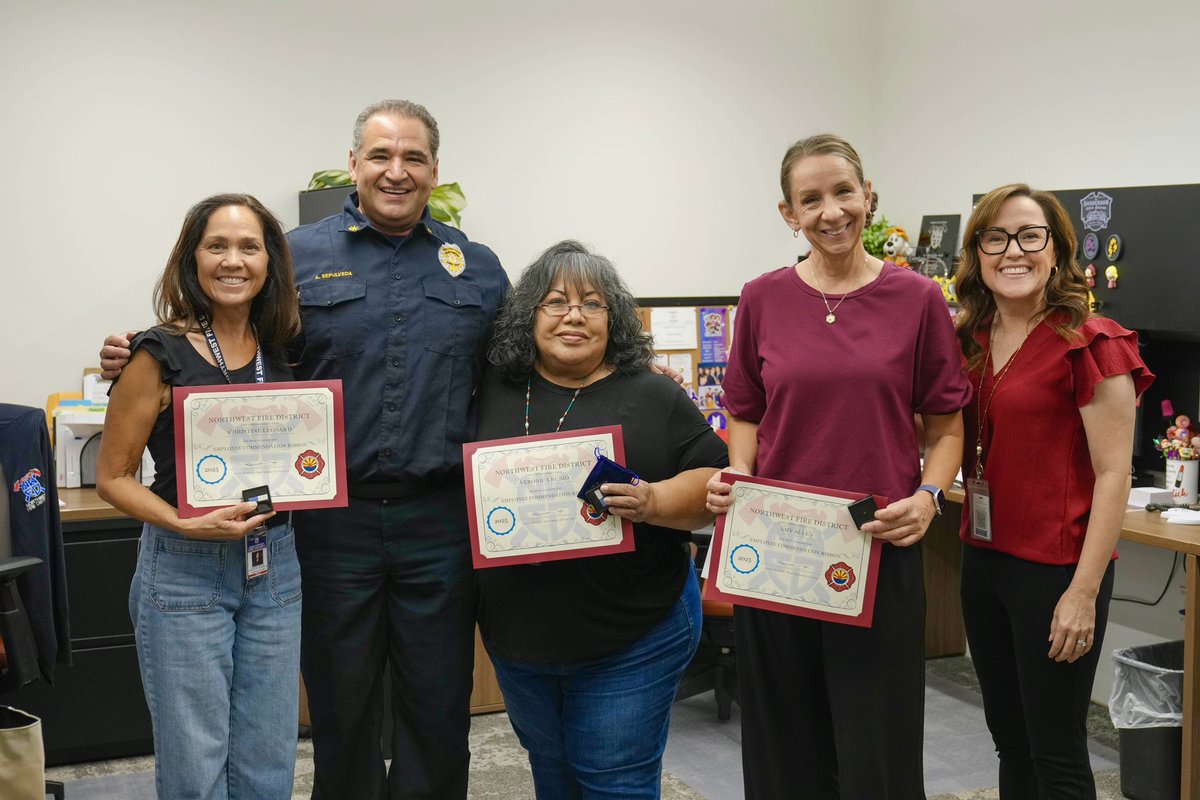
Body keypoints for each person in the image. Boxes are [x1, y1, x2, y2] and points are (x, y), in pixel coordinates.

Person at [101, 99, 510, 799]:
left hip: (437, 520)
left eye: (413, 157)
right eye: (380, 155)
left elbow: (513, 370)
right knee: (340, 698)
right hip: (329, 521)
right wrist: (135, 355)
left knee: (438, 700)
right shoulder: (296, 254)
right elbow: (226, 339)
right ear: (353, 164)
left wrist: (621, 373)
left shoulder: (476, 268)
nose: (396, 171)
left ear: (436, 170)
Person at [705, 133, 970, 799]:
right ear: (788, 213)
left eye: (843, 192)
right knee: (783, 747)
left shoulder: (917, 300)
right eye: (811, 199)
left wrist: (931, 494)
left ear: (868, 197)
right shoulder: (761, 298)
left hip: (877, 546)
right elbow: (746, 413)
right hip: (777, 550)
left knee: (875, 748)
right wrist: (738, 470)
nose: (831, 211)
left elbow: (945, 426)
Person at [475, 240, 728, 798]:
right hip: (519, 637)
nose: (573, 315)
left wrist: (656, 501)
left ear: (613, 318)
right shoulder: (489, 386)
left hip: (634, 631)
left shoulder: (655, 394)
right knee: (551, 771)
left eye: (592, 303)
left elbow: (716, 478)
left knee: (615, 779)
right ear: (527, 315)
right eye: (555, 302)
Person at [96, 194, 303, 800]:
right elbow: (114, 477)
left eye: (248, 247)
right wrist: (188, 525)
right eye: (217, 246)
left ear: (270, 263)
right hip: (186, 568)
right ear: (192, 259)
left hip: (275, 561)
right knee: (196, 764)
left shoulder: (287, 350)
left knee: (269, 756)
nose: (232, 261)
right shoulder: (156, 353)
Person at [953, 184, 1153, 798]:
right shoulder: (968, 339)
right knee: (1009, 740)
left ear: (1056, 250)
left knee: (1057, 752)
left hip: (1057, 571)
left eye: (1030, 236)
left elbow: (1115, 474)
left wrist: (1083, 594)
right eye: (996, 237)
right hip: (983, 561)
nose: (1013, 251)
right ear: (978, 253)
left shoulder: (1092, 342)